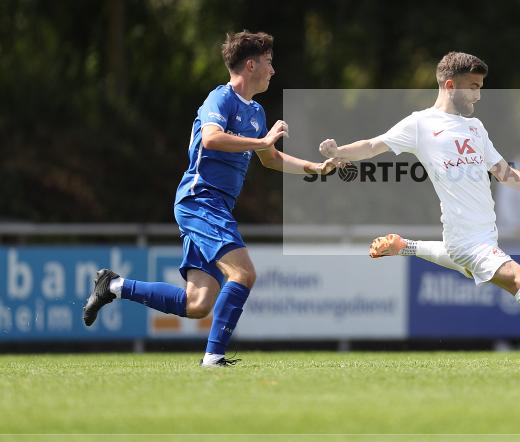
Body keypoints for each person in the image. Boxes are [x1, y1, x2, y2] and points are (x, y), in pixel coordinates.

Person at [319, 52, 520, 363]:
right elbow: (375, 145)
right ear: (451, 85)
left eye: (481, 87)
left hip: (477, 238)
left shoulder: (476, 128)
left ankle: (405, 246)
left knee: (459, 257)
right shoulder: (421, 124)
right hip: (470, 240)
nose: (478, 95)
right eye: (473, 87)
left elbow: (505, 173)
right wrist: (339, 151)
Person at [82, 31, 342, 367]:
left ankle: (113, 285)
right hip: (200, 199)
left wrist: (315, 168)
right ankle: (213, 358)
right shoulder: (219, 99)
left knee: (198, 303)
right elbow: (212, 138)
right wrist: (261, 141)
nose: (273, 70)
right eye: (269, 62)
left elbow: (270, 158)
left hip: (214, 205)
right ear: (251, 65)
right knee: (244, 274)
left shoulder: (256, 112)